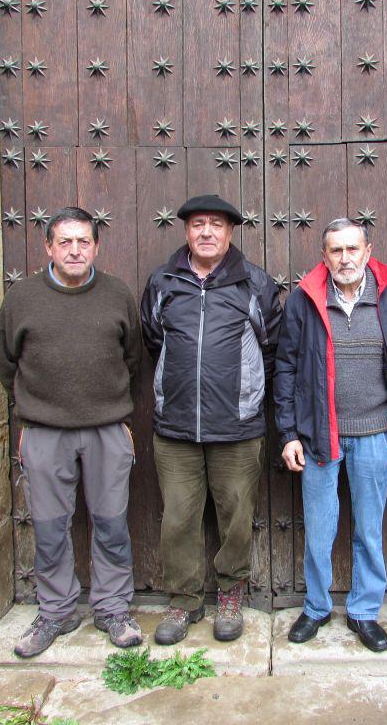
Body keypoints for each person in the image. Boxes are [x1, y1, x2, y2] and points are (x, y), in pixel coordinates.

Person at [0, 206, 144, 657]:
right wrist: (34, 410)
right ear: (48, 247)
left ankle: (113, 608)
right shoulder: (21, 298)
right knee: (50, 527)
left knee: (111, 523)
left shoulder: (117, 294)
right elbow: (5, 363)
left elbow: (132, 358)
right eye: (65, 242)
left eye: (84, 242)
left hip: (105, 429)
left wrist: (108, 404)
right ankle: (56, 612)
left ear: (96, 246)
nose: (75, 250)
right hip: (44, 431)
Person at [275, 218, 387, 652]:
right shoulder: (305, 302)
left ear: (368, 251)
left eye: (352, 249)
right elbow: (285, 369)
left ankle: (364, 612)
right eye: (336, 251)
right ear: (324, 256)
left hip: (377, 434)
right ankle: (317, 607)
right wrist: (288, 432)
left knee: (368, 527)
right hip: (321, 435)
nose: (345, 258)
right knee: (320, 529)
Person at [140, 194, 281, 645]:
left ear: (230, 233)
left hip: (237, 427)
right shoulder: (163, 282)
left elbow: (272, 349)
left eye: (215, 225)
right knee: (179, 517)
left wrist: (244, 393)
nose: (206, 232)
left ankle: (230, 594)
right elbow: (153, 341)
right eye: (197, 224)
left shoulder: (255, 284)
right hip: (176, 428)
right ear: (185, 231)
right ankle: (183, 601)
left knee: (236, 516)